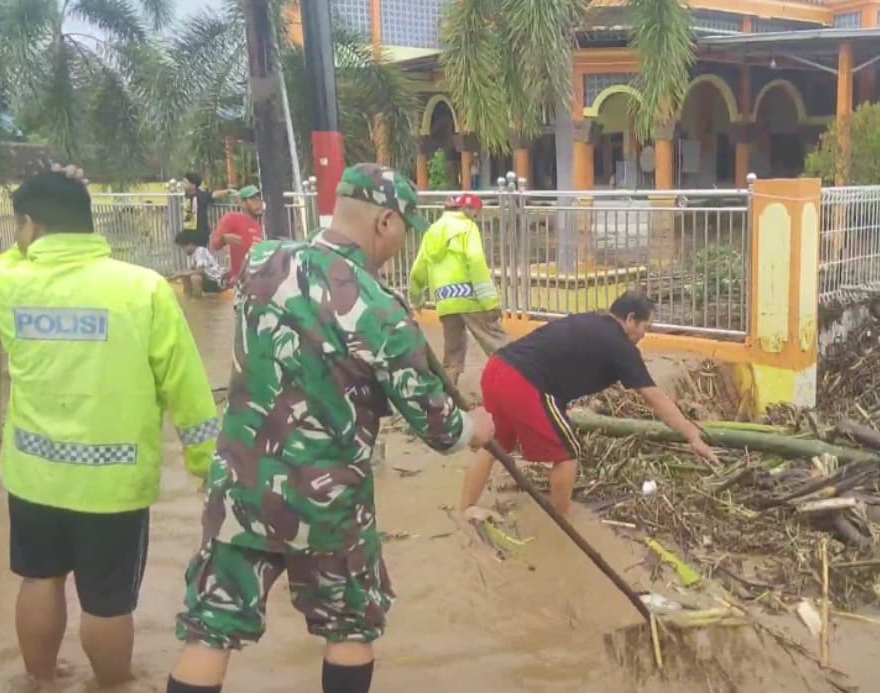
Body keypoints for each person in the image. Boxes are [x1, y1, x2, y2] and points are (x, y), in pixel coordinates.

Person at [166, 164, 496, 693]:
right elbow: (436, 425)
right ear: (386, 221)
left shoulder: (262, 261)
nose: (400, 242)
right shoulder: (381, 310)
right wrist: (473, 426)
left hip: (241, 488)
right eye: (403, 228)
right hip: (328, 502)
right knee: (349, 627)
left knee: (210, 630)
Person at [0, 168, 218, 687]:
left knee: (39, 579)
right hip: (113, 482)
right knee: (106, 601)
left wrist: (28, 245)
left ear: (27, 225)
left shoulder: (4, 281)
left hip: (35, 473)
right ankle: (113, 685)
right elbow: (189, 393)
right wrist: (206, 469)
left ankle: (41, 682)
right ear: (90, 225)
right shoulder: (144, 289)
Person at [460, 291, 719, 518]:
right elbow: (656, 399)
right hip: (523, 383)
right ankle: (562, 523)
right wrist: (692, 435)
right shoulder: (620, 346)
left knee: (494, 446)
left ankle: (466, 509)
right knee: (567, 453)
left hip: (497, 368)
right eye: (645, 327)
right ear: (630, 319)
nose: (644, 334)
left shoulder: (593, 322)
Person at [408, 193, 508, 384]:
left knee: (453, 349)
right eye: (475, 213)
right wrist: (489, 301)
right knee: (496, 341)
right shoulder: (467, 227)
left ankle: (449, 391)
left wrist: (417, 298)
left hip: (445, 301)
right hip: (471, 298)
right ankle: (523, 377)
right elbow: (475, 261)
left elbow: (418, 268)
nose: (476, 217)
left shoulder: (432, 231)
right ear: (467, 210)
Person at [208, 184, 265, 286]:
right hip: (241, 282)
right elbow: (214, 244)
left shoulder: (258, 226)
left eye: (259, 199)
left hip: (258, 280)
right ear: (242, 203)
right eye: (252, 200)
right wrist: (224, 239)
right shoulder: (232, 218)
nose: (258, 204)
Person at [172, 229, 228, 297]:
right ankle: (188, 298)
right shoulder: (194, 255)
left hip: (216, 282)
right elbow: (191, 270)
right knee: (185, 276)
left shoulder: (200, 251)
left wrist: (180, 273)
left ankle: (196, 301)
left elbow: (200, 271)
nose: (183, 250)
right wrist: (180, 274)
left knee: (195, 278)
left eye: (183, 247)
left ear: (190, 244)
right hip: (209, 281)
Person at [181, 173, 215, 247]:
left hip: (199, 233)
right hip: (190, 231)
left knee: (200, 254)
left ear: (193, 185)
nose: (182, 184)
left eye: (185, 182)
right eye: (183, 181)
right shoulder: (187, 195)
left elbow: (213, 195)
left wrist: (228, 191)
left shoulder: (200, 195)